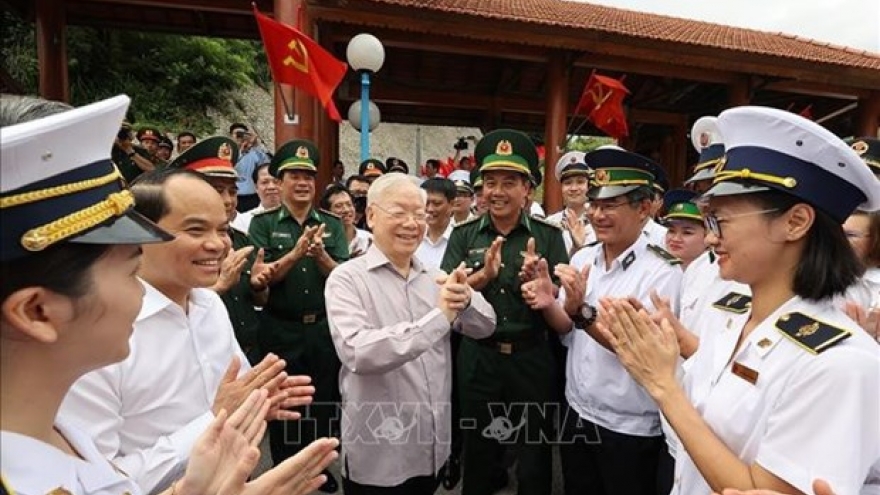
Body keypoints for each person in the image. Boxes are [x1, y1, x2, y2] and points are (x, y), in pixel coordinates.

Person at [0, 94, 338, 495]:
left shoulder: (57, 433)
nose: (140, 294)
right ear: (37, 311)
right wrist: (214, 422)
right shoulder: (58, 397)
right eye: (129, 268)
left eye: (221, 229)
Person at [597, 106, 880, 495]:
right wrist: (668, 350)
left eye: (720, 221)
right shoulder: (730, 316)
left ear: (795, 222)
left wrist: (662, 385)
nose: (710, 239)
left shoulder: (842, 365)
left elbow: (754, 489)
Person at [59, 167, 311, 494]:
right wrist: (212, 422)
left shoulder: (209, 304)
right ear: (139, 233)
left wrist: (260, 398)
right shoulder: (97, 335)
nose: (218, 245)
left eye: (223, 230)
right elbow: (92, 482)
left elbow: (237, 387)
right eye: (196, 230)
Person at [522, 146, 683, 495]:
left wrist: (582, 311)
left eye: (610, 205)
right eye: (594, 204)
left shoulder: (662, 272)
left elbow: (639, 350)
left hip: (628, 426)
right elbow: (565, 326)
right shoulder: (584, 257)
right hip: (578, 411)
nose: (597, 214)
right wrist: (549, 299)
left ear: (644, 208)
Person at [325, 173, 497, 494]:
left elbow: (486, 326)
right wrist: (439, 317)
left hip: (430, 445)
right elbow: (358, 352)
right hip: (379, 451)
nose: (411, 223)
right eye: (399, 213)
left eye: (419, 214)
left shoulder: (435, 278)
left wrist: (468, 299)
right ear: (372, 215)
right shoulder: (346, 279)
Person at [441, 129, 568, 495]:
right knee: (479, 454)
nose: (496, 191)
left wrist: (545, 286)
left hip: (532, 357)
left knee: (534, 456)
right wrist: (484, 276)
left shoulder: (548, 236)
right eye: (489, 182)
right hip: (479, 359)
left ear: (528, 189)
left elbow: (561, 295)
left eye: (509, 182)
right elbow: (448, 293)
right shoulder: (464, 236)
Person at [248, 139, 349, 493]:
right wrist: (295, 254)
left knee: (323, 402)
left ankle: (318, 469)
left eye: (308, 175)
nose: (303, 182)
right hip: (279, 328)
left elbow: (344, 277)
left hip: (322, 329)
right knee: (285, 405)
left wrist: (320, 256)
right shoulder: (261, 224)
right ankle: (285, 474)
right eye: (294, 175)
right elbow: (259, 278)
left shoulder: (333, 225)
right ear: (279, 180)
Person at [167, 136, 277, 364]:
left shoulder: (243, 241)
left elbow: (258, 300)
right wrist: (219, 286)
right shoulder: (172, 246)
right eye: (217, 191)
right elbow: (168, 315)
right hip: (200, 360)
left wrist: (259, 286)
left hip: (249, 354)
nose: (228, 200)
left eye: (233, 191)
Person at [545, 151, 595, 257]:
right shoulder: (550, 224)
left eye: (580, 182)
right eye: (568, 183)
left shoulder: (599, 222)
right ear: (561, 188)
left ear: (589, 186)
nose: (573, 188)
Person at [321, 184, 372, 258]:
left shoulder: (368, 239)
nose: (346, 210)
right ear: (327, 212)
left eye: (349, 204)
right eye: (339, 206)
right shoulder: (322, 242)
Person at [416, 177, 457, 269]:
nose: (430, 209)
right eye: (426, 203)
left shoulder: (460, 238)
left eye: (437, 203)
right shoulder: (413, 235)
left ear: (452, 204)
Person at [662, 189, 707, 270]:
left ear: (707, 235)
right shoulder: (655, 270)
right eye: (671, 231)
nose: (675, 239)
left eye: (687, 233)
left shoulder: (715, 276)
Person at [230, 123, 269, 212]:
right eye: (237, 134)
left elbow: (266, 166)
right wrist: (240, 153)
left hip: (252, 196)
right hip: (235, 195)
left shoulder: (254, 152)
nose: (240, 137)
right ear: (231, 136)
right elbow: (230, 167)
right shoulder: (227, 153)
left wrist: (255, 145)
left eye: (242, 134)